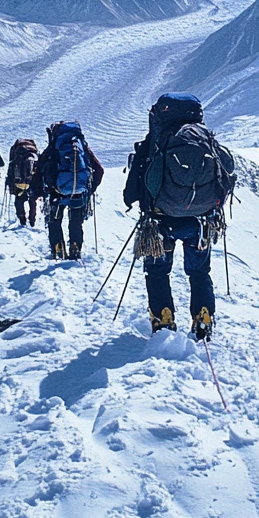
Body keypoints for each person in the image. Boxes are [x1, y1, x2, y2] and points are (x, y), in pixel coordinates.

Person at [123, 93, 235, 340]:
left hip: (159, 222)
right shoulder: (206, 140)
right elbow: (227, 171)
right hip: (201, 222)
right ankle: (203, 318)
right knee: (199, 272)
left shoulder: (155, 141)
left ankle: (163, 319)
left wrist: (134, 201)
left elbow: (134, 185)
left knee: (157, 272)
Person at [30, 120, 103, 260]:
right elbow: (99, 169)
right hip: (79, 193)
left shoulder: (53, 148)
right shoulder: (82, 148)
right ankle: (75, 250)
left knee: (54, 221)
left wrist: (37, 192)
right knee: (76, 222)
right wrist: (89, 189)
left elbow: (38, 170)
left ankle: (58, 250)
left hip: (56, 193)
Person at [6, 138, 40, 226]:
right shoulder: (34, 154)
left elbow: (11, 170)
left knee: (19, 200)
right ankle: (32, 220)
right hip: (32, 183)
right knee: (32, 201)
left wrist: (10, 184)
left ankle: (22, 219)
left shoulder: (17, 155)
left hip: (19, 182)